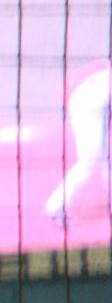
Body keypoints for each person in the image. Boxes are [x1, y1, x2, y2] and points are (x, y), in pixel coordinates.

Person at [46, 61, 111, 227]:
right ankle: (55, 206)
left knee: (105, 158)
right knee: (90, 161)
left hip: (88, 101)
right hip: (90, 107)